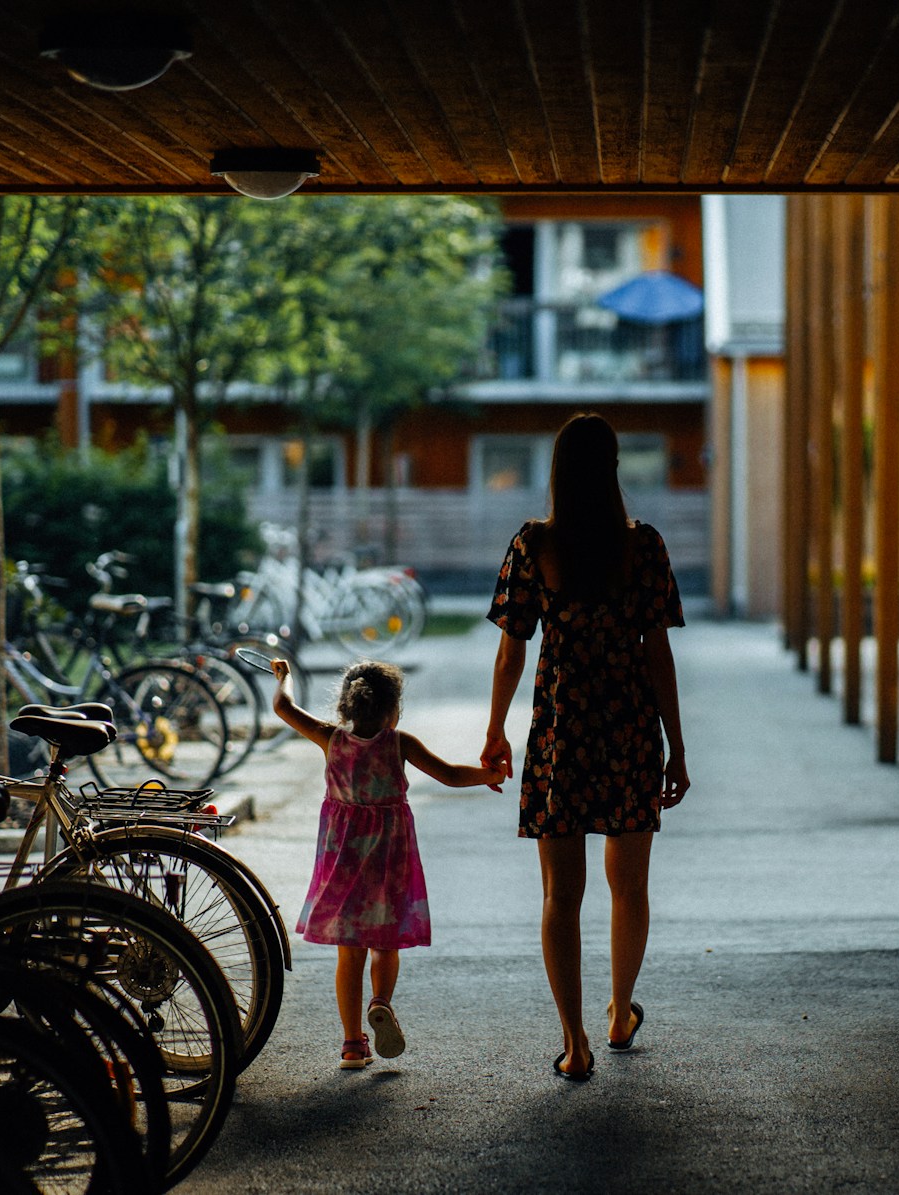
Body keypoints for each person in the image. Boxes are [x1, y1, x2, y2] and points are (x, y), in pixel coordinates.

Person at [482, 412, 690, 1081]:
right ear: (612, 469)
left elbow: (512, 647)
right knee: (629, 885)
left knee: (558, 895)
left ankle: (574, 1042)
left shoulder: (533, 543)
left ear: (558, 472)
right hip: (628, 726)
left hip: (562, 729)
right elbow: (657, 651)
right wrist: (677, 746)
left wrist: (495, 729)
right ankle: (619, 1011)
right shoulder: (644, 546)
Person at [270, 656, 504, 1069]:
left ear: (346, 707)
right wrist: (490, 776)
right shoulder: (400, 743)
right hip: (389, 861)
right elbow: (449, 774)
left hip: (343, 862)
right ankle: (381, 1002)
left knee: (350, 953)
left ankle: (352, 1046)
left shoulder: (331, 739)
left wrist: (284, 677)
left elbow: (283, 708)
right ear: (393, 710)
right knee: (385, 942)